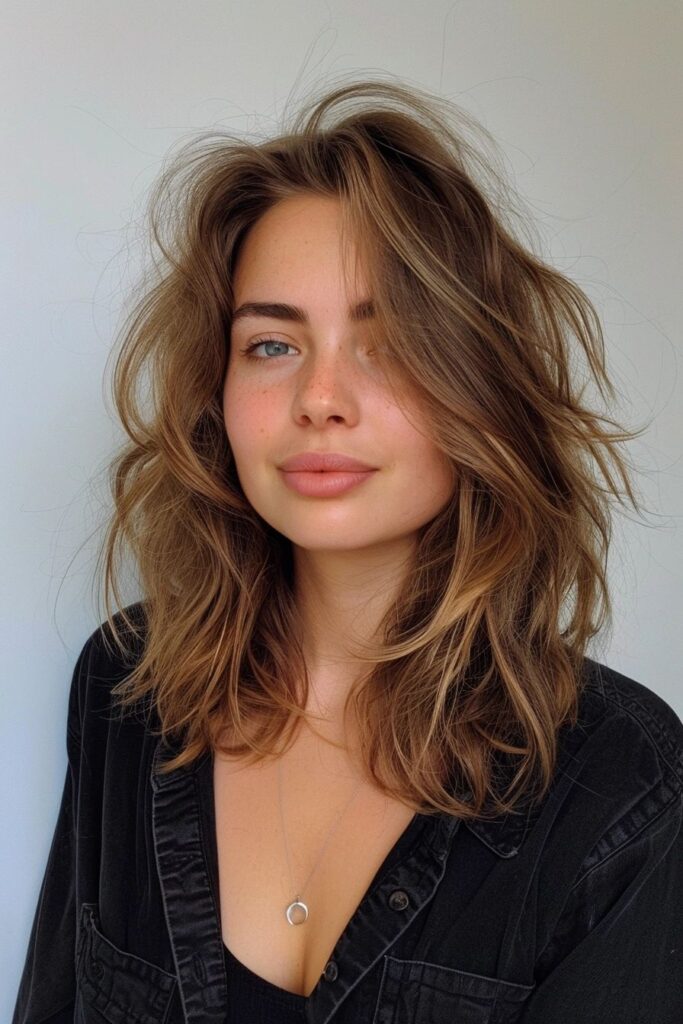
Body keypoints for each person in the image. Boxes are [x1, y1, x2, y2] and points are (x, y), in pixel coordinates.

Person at [12, 75, 682, 1024]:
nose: (320, 398)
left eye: (388, 344)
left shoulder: (618, 786)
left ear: (478, 386)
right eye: (272, 346)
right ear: (218, 389)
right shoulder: (130, 688)